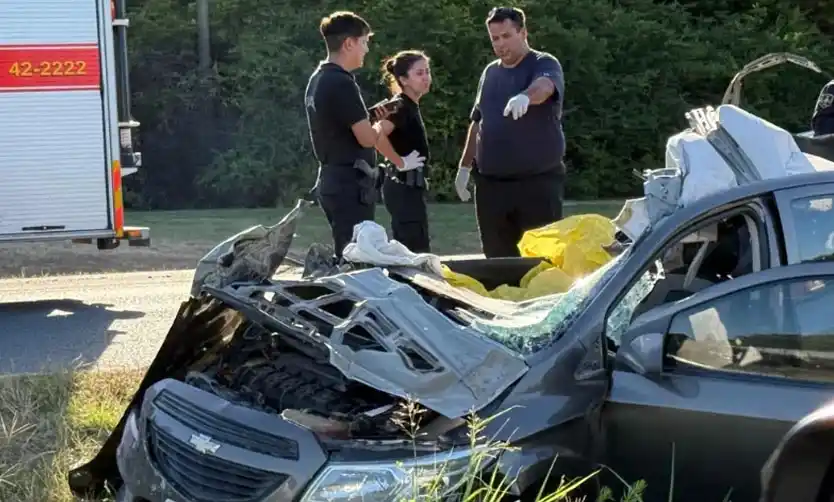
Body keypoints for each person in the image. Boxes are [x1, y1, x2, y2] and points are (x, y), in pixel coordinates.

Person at [455, 6, 567, 258]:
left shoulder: (543, 62)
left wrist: (525, 97)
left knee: (539, 262)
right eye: (495, 38)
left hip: (536, 184)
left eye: (506, 36)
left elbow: (545, 86)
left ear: (523, 32)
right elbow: (477, 121)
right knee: (496, 260)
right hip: (491, 187)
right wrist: (464, 168)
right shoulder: (490, 72)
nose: (500, 44)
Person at [304, 11, 412, 259]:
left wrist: (371, 115)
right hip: (350, 184)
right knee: (356, 259)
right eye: (364, 42)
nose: (366, 50)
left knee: (347, 251)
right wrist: (382, 123)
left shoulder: (319, 78)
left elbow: (339, 125)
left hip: (332, 179)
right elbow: (366, 138)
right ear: (349, 43)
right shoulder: (343, 82)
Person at [372, 50, 433, 252]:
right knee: (414, 249)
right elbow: (376, 135)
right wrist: (400, 162)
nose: (426, 78)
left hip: (409, 187)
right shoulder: (400, 106)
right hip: (402, 185)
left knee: (415, 245)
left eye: (427, 71)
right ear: (403, 79)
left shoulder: (408, 105)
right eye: (419, 73)